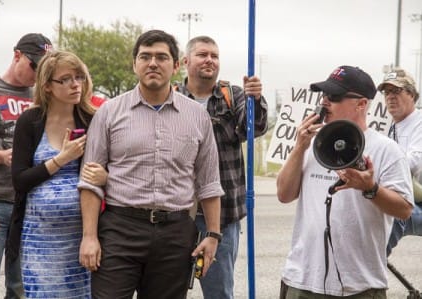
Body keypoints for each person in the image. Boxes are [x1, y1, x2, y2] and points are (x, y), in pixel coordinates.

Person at [78, 29, 224, 299]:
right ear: (134, 64)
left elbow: (209, 182)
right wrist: (89, 236)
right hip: (120, 230)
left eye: (161, 57)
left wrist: (213, 235)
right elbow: (89, 181)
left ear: (176, 65)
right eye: (145, 57)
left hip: (175, 234)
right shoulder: (109, 113)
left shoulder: (198, 117)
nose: (153, 63)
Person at [277, 65, 414, 298]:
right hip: (302, 281)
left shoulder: (386, 150)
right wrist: (299, 147)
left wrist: (369, 188)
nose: (325, 102)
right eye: (324, 95)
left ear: (361, 104)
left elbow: (404, 210)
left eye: (334, 97)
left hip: (359, 286)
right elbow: (284, 194)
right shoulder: (311, 143)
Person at [7, 50, 107, 298]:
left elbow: (111, 172)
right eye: (66, 79)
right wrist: (61, 159)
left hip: (82, 237)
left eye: (79, 77)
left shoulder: (92, 119)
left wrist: (106, 176)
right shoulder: (30, 121)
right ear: (48, 86)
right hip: (38, 239)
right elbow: (20, 181)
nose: (75, 84)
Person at [174, 35, 268, 299]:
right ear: (185, 61)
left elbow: (254, 128)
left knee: (219, 293)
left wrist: (256, 100)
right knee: (168, 289)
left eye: (214, 56)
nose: (209, 60)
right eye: (203, 54)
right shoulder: (172, 97)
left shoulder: (232, 95)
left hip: (223, 217)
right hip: (177, 215)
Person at [0, 32, 52, 299]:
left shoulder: (42, 97)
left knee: (21, 287)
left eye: (45, 69)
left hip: (28, 205)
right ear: (17, 55)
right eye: (35, 66)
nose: (38, 74)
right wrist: (2, 156)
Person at [376, 67, 422, 256]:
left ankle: (370, 275)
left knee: (392, 213)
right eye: (387, 92)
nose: (390, 97)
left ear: (412, 95)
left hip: (418, 202)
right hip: (412, 198)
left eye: (396, 91)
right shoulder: (391, 127)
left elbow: (415, 160)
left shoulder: (419, 121)